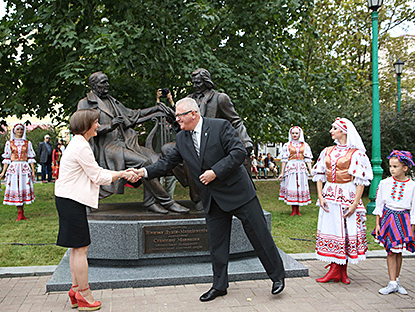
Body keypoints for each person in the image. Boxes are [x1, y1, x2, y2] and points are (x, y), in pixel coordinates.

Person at [131, 98, 285, 301]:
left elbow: (238, 153)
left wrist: (215, 172)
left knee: (259, 235)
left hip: (239, 193)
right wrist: (142, 171)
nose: (176, 119)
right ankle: (219, 285)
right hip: (212, 199)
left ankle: (277, 277)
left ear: (193, 114)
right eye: (176, 116)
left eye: (180, 115)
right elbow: (167, 163)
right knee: (217, 244)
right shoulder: (182, 138)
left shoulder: (220, 127)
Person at [55, 109, 139, 311]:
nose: (98, 126)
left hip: (67, 199)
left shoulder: (77, 144)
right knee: (81, 248)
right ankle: (84, 294)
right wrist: (123, 173)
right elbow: (98, 176)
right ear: (86, 125)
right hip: (71, 200)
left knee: (76, 248)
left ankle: (76, 290)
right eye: (95, 122)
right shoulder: (81, 147)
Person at [77, 71, 189, 214]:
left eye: (107, 81)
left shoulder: (112, 100)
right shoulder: (85, 103)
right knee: (144, 162)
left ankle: (150, 202)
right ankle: (167, 202)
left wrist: (155, 108)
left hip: (128, 144)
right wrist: (109, 126)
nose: (107, 85)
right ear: (93, 85)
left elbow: (133, 114)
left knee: (155, 160)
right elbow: (82, 128)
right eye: (103, 82)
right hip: (109, 148)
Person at [311, 117, 373, 284]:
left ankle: (342, 270)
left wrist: (355, 204)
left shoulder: (356, 153)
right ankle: (334, 268)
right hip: (330, 191)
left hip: (348, 192)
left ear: (344, 131)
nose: (331, 131)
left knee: (347, 229)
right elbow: (319, 174)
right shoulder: (327, 151)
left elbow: (360, 180)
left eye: (334, 128)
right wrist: (320, 195)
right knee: (332, 227)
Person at [372, 150, 415, 295]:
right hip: (388, 218)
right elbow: (379, 205)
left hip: (403, 219)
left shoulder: (412, 186)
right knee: (391, 251)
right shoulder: (385, 183)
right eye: (390, 166)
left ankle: (396, 281)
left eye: (395, 166)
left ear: (405, 168)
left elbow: (414, 209)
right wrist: (378, 224)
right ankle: (391, 282)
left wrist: (412, 228)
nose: (392, 169)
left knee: (398, 251)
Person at [0, 123, 36, 221]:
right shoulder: (9, 143)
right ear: (14, 131)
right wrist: (3, 172)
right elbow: (7, 158)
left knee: (22, 187)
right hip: (14, 168)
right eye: (18, 129)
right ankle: (19, 213)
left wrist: (33, 171)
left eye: (21, 129)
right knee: (16, 188)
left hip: (24, 167)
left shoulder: (28, 143)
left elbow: (31, 157)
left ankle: (22, 213)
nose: (20, 131)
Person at [278, 127, 313, 216]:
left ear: (300, 134)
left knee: (300, 187)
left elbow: (308, 159)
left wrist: (311, 171)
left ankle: (298, 210)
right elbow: (284, 159)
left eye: (296, 133)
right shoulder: (287, 145)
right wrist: (282, 172)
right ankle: (293, 210)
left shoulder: (305, 145)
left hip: (301, 167)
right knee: (293, 186)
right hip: (291, 168)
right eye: (293, 133)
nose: (295, 135)